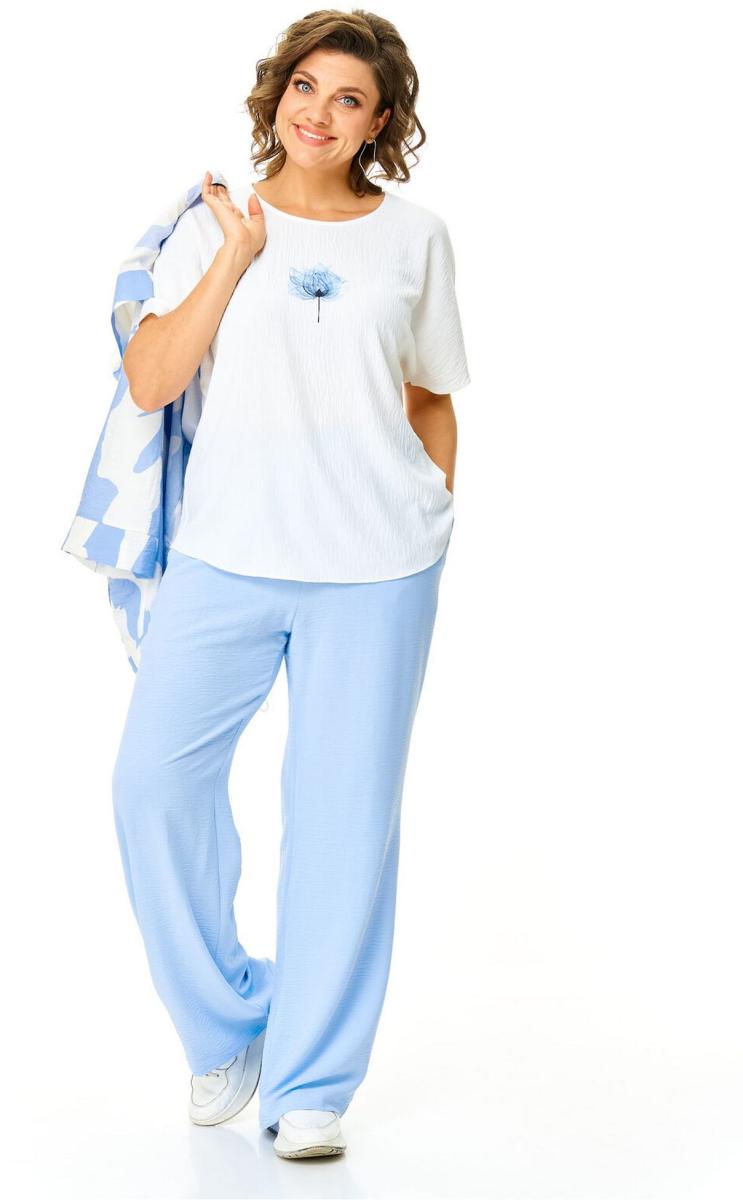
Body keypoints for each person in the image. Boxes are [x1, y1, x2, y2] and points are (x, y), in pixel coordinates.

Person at [111, 9, 470, 1160]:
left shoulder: (414, 238)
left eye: (347, 97)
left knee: (343, 821)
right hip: (223, 557)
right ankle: (229, 1029)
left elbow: (429, 393)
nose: (318, 111)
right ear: (275, 95)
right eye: (304, 86)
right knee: (151, 787)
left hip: (375, 570)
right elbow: (151, 380)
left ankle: (310, 1081)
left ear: (379, 122)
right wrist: (236, 255)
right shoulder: (210, 222)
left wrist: (431, 508)